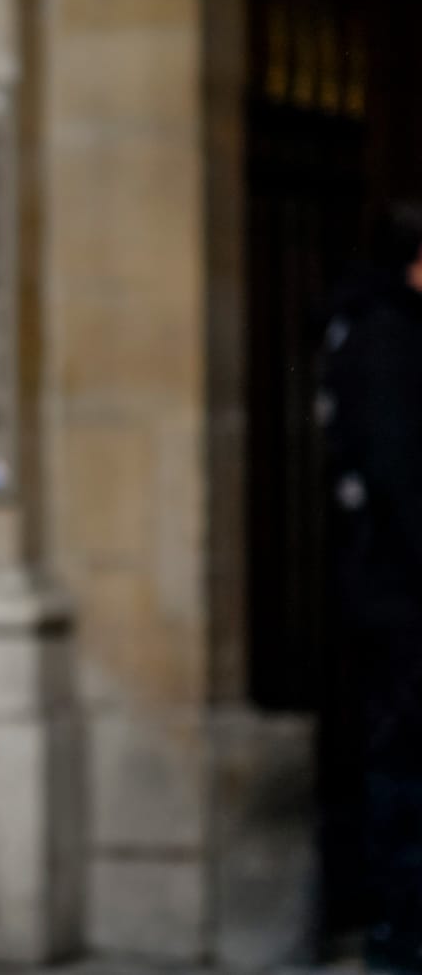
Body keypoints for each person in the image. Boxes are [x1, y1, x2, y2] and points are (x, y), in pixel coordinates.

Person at [320, 200, 422, 971]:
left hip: (389, 588)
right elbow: (401, 479)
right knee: (402, 752)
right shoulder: (388, 340)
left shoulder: (376, 329)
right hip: (399, 595)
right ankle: (398, 927)